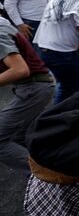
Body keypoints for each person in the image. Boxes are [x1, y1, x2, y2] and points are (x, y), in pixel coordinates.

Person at [0, 17, 54, 171]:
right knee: (19, 138)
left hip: (34, 88)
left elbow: (20, 70)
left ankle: (48, 178)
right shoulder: (3, 25)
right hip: (36, 87)